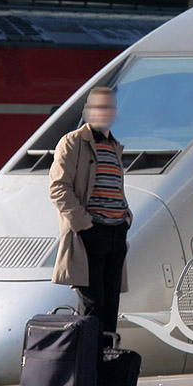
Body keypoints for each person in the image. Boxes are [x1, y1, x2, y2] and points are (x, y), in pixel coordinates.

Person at [48, 86, 132, 336]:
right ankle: (89, 367)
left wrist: (126, 215)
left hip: (116, 231)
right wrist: (83, 223)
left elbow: (113, 185)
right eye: (99, 107)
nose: (105, 113)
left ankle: (105, 366)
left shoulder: (114, 145)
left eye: (110, 107)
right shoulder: (73, 142)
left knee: (110, 306)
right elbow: (58, 187)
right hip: (90, 233)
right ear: (87, 111)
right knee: (92, 307)